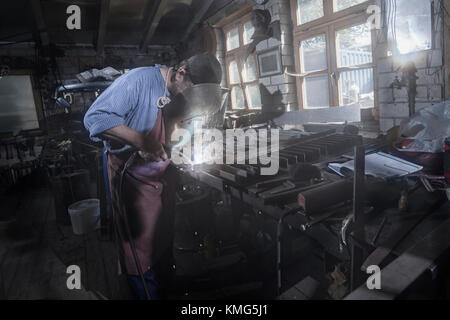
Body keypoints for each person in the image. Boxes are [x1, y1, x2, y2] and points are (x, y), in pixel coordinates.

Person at [83, 52, 222, 299]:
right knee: (140, 251)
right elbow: (95, 118)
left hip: (161, 180)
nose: (190, 98)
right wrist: (141, 141)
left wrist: (184, 145)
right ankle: (146, 291)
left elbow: (175, 128)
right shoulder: (138, 81)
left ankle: (165, 285)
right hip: (131, 180)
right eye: (191, 90)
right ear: (181, 72)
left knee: (162, 243)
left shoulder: (176, 89)